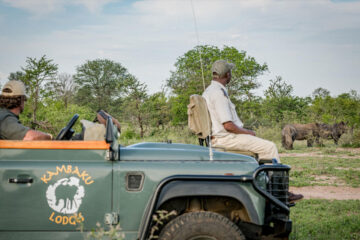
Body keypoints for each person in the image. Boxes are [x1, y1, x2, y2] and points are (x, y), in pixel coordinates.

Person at [202, 60, 303, 203]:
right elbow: (228, 125)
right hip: (225, 138)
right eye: (230, 72)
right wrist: (249, 132)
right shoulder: (218, 94)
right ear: (227, 74)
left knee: (262, 146)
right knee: (269, 147)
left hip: (218, 136)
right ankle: (279, 192)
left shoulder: (209, 91)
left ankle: (266, 187)